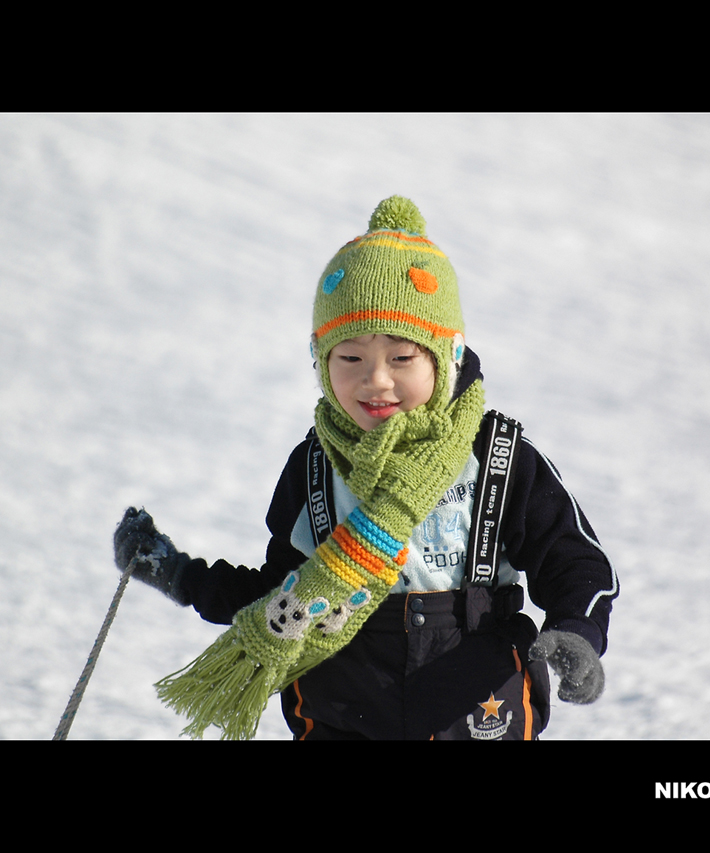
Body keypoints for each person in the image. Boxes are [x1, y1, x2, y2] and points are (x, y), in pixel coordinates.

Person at [114, 196, 618, 740]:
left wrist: (578, 629)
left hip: (476, 701)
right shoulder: (316, 465)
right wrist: (178, 574)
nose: (376, 380)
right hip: (343, 703)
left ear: (446, 357)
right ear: (321, 362)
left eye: (402, 358)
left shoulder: (496, 458)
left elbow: (573, 559)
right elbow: (280, 594)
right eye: (350, 358)